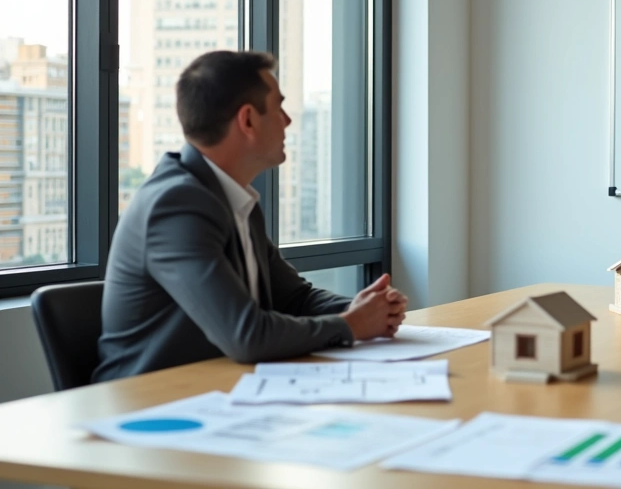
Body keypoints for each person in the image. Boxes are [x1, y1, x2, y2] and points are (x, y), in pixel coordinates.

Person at [95, 51, 406, 383]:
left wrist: (360, 308)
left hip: (218, 391)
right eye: (278, 108)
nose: (287, 121)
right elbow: (246, 336)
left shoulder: (234, 199)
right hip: (147, 407)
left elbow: (294, 297)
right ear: (247, 120)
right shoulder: (176, 206)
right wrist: (352, 325)